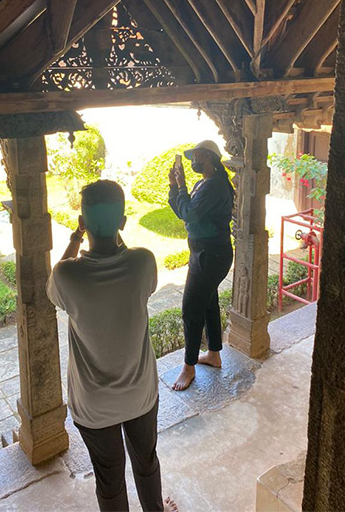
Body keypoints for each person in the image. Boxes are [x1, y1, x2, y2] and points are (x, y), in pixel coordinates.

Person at [47, 180, 175, 512]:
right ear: (122, 222)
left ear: (83, 221)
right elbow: (129, 261)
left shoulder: (67, 277)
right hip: (140, 396)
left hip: (94, 406)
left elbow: (52, 285)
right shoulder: (143, 263)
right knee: (146, 463)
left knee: (110, 482)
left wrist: (76, 238)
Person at [168, 140, 235, 392]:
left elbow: (191, 215)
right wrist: (175, 187)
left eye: (196, 156)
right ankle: (214, 354)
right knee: (207, 303)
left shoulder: (215, 185)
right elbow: (183, 210)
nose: (192, 161)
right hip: (205, 253)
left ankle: (188, 367)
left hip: (211, 255)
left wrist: (182, 185)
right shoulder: (204, 184)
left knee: (191, 308)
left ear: (209, 157)